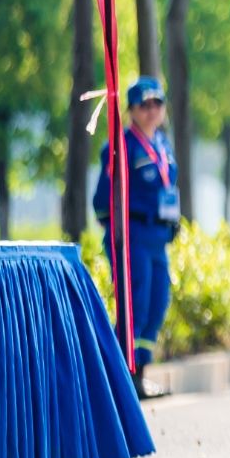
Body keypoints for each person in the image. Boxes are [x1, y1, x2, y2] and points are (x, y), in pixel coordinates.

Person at [92, 75, 181, 400]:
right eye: (144, 105)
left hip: (157, 237)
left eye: (158, 103)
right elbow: (102, 201)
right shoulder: (120, 146)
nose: (152, 110)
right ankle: (123, 379)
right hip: (133, 236)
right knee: (135, 305)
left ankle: (140, 374)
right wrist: (118, 235)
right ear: (131, 110)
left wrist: (172, 221)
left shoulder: (162, 145)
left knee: (157, 303)